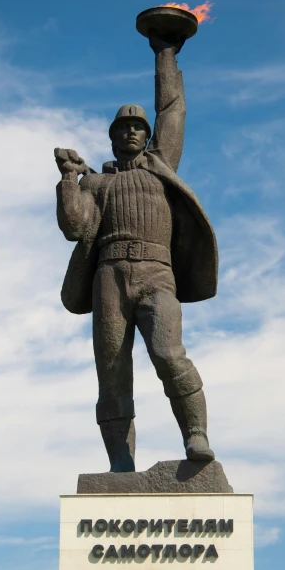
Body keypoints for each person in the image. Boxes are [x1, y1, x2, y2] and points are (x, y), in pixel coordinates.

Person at [55, 29, 218, 472]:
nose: (130, 131)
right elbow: (75, 227)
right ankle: (120, 465)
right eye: (122, 127)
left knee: (168, 352)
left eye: (137, 127)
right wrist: (70, 178)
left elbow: (173, 109)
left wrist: (164, 52)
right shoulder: (96, 182)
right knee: (112, 373)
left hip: (156, 273)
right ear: (111, 138)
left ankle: (196, 435)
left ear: (147, 137)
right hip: (109, 277)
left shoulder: (161, 163)